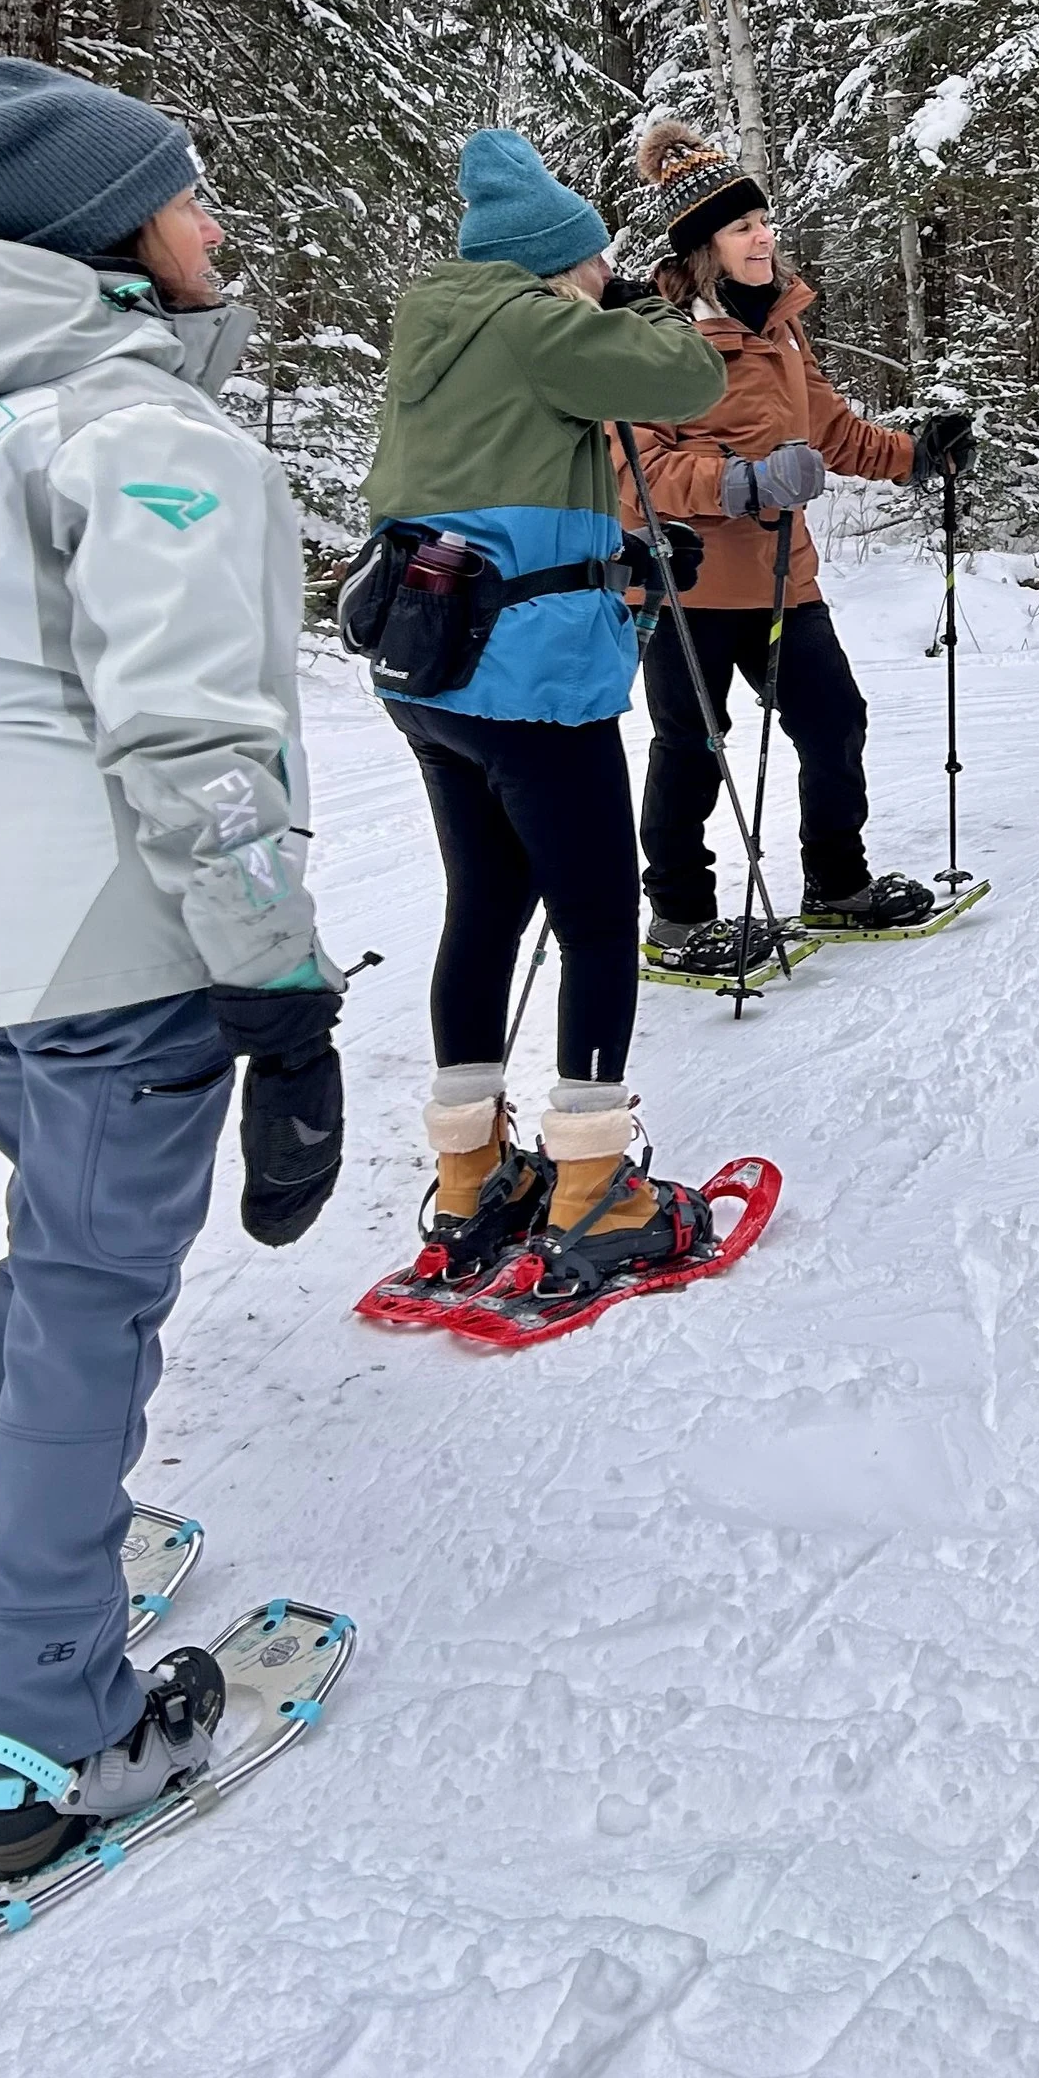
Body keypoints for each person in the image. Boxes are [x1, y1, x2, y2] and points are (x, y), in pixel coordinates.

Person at [0, 49, 342, 1879]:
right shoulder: (138, 430)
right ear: (114, 230)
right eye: (186, 194)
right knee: (96, 1298)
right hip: (110, 961)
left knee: (57, 1259)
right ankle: (32, 1731)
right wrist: (280, 989)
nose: (214, 222)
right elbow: (194, 742)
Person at [361, 126, 726, 1303]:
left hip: (431, 675)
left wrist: (615, 552)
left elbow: (503, 484)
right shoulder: (533, 322)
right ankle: (593, 1184)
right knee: (597, 917)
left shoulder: (441, 325)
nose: (601, 272)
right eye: (592, 258)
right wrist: (642, 304)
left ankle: (470, 1177)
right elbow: (691, 379)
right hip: (527, 684)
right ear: (556, 261)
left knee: (486, 902)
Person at [615, 119, 975, 968]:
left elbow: (834, 432)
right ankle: (679, 919)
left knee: (834, 718)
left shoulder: (781, 327)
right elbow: (636, 471)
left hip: (783, 576)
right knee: (692, 747)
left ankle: (835, 883)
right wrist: (742, 482)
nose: (764, 237)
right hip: (686, 583)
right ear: (703, 246)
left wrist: (920, 455)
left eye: (764, 221)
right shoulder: (656, 336)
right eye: (743, 227)